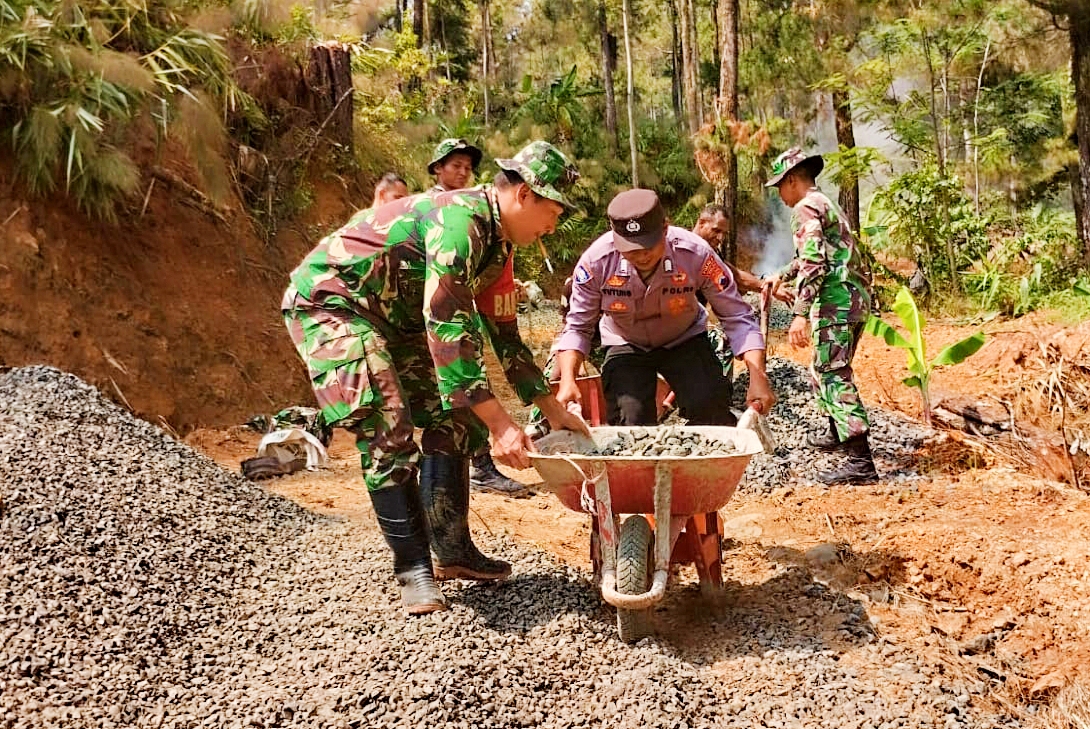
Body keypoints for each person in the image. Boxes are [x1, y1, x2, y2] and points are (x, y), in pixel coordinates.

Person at [282, 141, 589, 615]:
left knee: (459, 416)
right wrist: (501, 424)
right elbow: (446, 323)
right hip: (333, 305)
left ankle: (452, 551)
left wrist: (550, 407)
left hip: (396, 321)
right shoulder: (460, 223)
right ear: (525, 194)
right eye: (554, 211)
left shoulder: (499, 247)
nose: (555, 225)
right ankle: (413, 569)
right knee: (389, 423)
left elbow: (505, 335)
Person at [555, 188, 776, 426]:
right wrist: (568, 379)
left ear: (665, 228)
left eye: (648, 246)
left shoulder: (697, 254)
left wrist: (758, 377)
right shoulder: (596, 263)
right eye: (630, 249)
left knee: (711, 406)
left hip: (684, 339)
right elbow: (578, 327)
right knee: (629, 421)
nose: (640, 256)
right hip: (626, 342)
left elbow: (737, 316)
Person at [764, 147, 877, 484]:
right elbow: (814, 256)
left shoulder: (805, 208)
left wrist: (799, 313)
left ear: (793, 180)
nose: (780, 196)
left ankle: (861, 463)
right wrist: (781, 273)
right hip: (852, 300)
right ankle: (837, 433)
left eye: (780, 187)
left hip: (835, 303)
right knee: (823, 368)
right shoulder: (825, 203)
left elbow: (815, 264)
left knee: (833, 373)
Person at [427, 138, 527, 495]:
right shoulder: (447, 216)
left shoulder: (484, 221)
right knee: (458, 386)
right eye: (455, 165)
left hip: (455, 316)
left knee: (463, 385)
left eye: (467, 168)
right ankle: (478, 466)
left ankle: (474, 467)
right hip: (433, 322)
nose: (462, 172)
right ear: (437, 168)